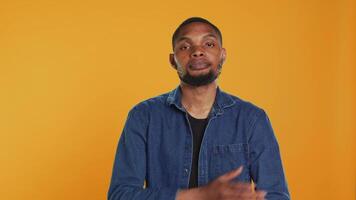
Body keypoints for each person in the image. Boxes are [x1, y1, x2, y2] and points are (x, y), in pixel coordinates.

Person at [108, 17, 290, 200]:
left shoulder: (252, 119)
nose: (197, 52)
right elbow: (120, 195)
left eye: (209, 44)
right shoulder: (143, 117)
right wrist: (199, 195)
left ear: (223, 55)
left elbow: (276, 195)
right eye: (185, 47)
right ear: (173, 60)